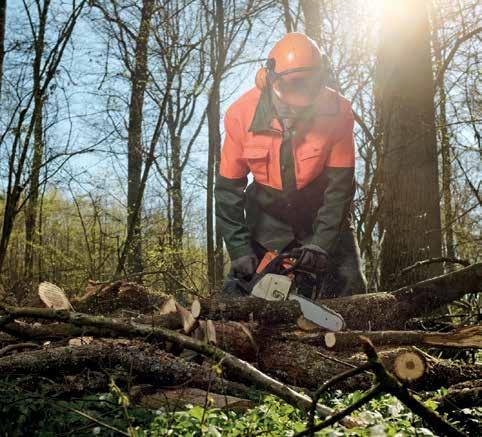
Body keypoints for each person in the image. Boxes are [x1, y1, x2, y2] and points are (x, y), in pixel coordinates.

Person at [215, 32, 366, 297]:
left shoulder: (338, 111)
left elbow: (340, 188)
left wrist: (321, 242)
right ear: (269, 79)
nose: (295, 111)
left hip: (321, 210)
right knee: (238, 291)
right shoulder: (240, 115)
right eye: (287, 103)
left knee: (350, 289)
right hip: (266, 214)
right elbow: (228, 191)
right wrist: (239, 248)